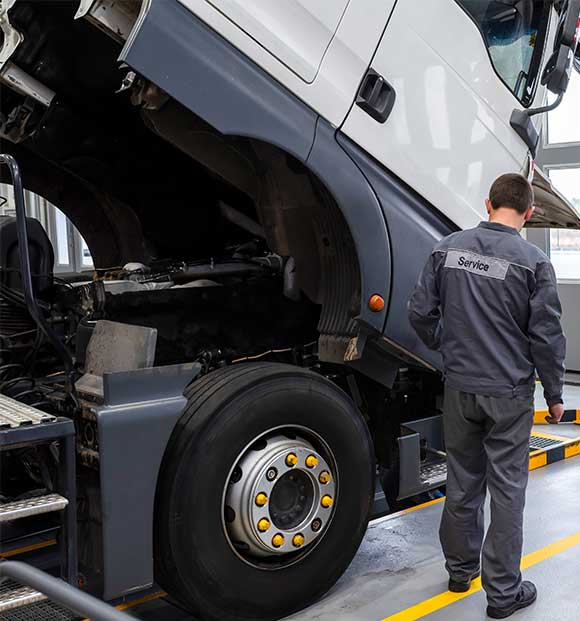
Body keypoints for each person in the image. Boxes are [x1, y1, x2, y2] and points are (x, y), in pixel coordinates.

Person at [407, 173, 566, 619]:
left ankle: (460, 572)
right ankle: (502, 594)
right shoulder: (534, 263)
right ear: (530, 213)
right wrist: (554, 394)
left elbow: (420, 312)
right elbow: (547, 337)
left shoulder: (447, 248)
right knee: (508, 490)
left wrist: (446, 345)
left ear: (488, 202)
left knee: (462, 481)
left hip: (459, 388)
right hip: (509, 394)